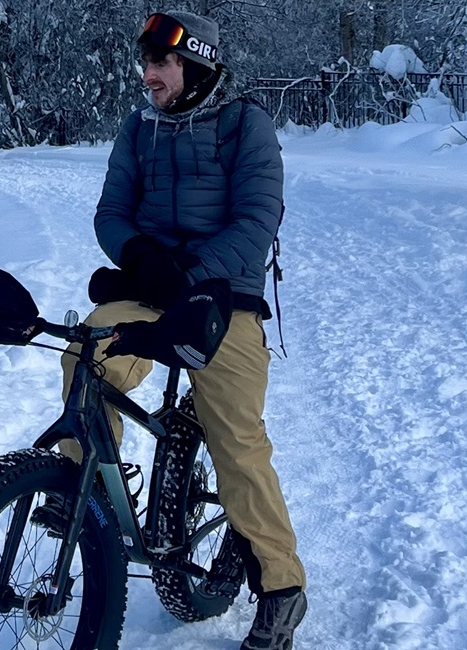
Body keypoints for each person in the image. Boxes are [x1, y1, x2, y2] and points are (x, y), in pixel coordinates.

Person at [59, 10, 306, 650]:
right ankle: (86, 497)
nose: (148, 75)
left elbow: (256, 222)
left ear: (194, 65)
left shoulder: (245, 125)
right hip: (148, 291)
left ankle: (282, 587)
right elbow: (111, 212)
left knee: (237, 443)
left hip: (225, 301)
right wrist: (142, 256)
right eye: (145, 62)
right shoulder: (137, 128)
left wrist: (190, 274)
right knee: (88, 351)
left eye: (161, 63)